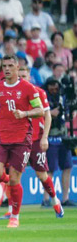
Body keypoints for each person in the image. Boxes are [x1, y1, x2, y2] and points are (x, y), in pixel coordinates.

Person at [0, 55, 44, 228]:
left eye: (10, 66)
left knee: (14, 180)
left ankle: (15, 215)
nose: (6, 69)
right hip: (2, 138)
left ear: (17, 67)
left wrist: (25, 114)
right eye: (4, 66)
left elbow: (40, 110)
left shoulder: (28, 88)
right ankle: (11, 181)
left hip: (22, 139)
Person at [0, 66, 64, 219]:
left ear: (29, 77)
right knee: (11, 175)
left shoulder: (38, 92)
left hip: (35, 140)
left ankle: (54, 200)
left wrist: (45, 137)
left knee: (41, 175)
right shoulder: (10, 94)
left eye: (24, 76)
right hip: (16, 140)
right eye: (19, 76)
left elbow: (48, 116)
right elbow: (3, 117)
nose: (21, 79)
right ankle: (12, 211)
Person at [45, 79, 76, 207]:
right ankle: (46, 199)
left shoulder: (63, 98)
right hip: (51, 137)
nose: (54, 88)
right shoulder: (44, 99)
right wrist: (49, 113)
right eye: (51, 86)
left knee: (68, 167)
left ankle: (65, 198)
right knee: (50, 170)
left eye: (56, 85)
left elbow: (71, 109)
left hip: (63, 137)